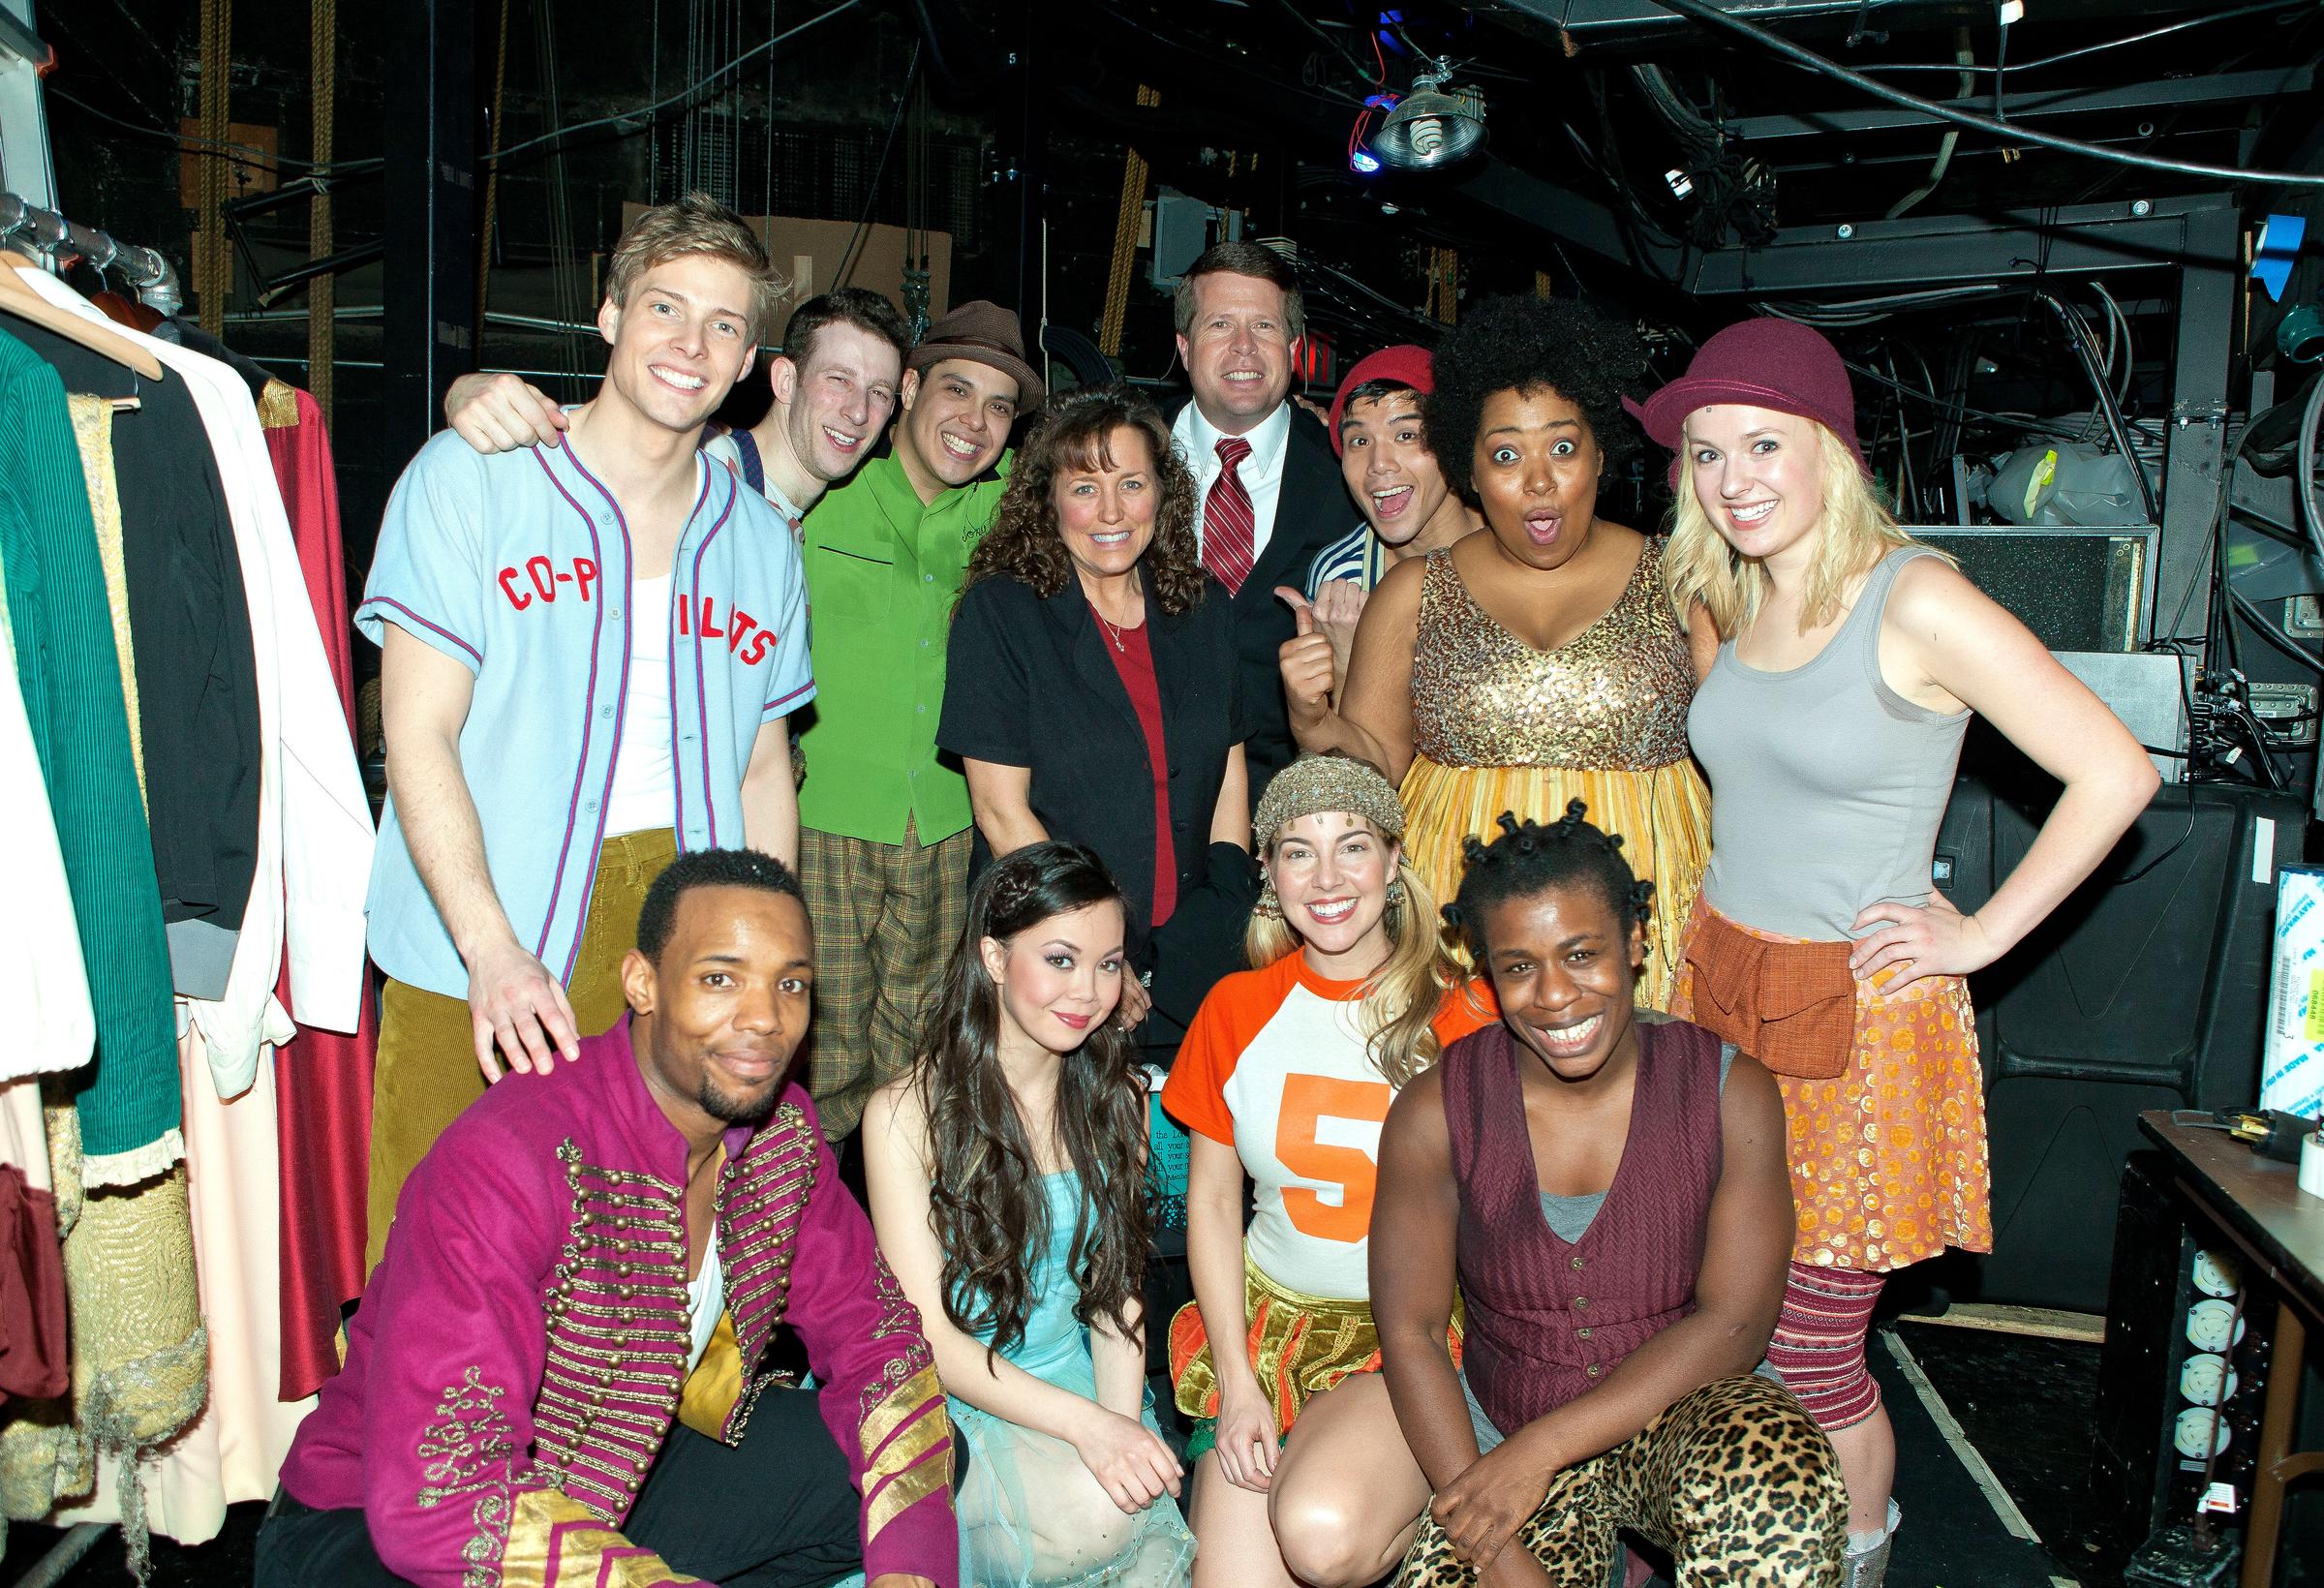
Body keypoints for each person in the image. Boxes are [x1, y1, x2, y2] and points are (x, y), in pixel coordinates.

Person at [1636, 316, 2159, 1585]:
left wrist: (1976, 935)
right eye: (1706, 454)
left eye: (1763, 444)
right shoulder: (1732, 589)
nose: (1733, 477)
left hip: (1857, 1031)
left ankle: (1857, 1563)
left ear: (1831, 449)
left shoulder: (1916, 596)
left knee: (1810, 1359)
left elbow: (2116, 771)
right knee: (1716, 1324)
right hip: (1723, 997)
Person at [256, 848, 956, 1588]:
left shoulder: (781, 1137)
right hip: (382, 1526)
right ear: (642, 983)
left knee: (899, 1485)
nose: (764, 1019)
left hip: (616, 1473)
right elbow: (444, 1492)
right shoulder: (514, 1154)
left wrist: (909, 1571)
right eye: (720, 979)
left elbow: (877, 1345)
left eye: (792, 986)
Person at [358, 194, 812, 1266]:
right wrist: (490, 947)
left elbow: (762, 767)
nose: (689, 344)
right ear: (609, 313)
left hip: (676, 926)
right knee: (434, 1259)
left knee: (627, 1274)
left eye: (723, 324)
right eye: (665, 306)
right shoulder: (471, 478)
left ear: (749, 361)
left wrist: (760, 961)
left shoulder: (761, 541)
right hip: (481, 914)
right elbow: (415, 731)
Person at [1372, 805, 1849, 1588]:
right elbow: (1414, 1333)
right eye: (1520, 966)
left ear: (1633, 943)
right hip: (1503, 1427)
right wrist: (1493, 1544)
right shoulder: (1436, 1110)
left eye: (1582, 953)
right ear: (1489, 973)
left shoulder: (1729, 1090)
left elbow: (1737, 1320)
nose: (1556, 996)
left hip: (1680, 1422)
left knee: (1779, 1486)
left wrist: (1543, 1451)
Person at [1282, 295, 1710, 1008]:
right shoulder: (1415, 592)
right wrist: (1311, 717)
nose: (1538, 480)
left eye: (1563, 448)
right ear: (1468, 469)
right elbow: (1374, 772)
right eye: (1506, 454)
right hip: (1460, 925)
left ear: (1602, 452)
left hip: (1648, 919)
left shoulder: (1682, 582)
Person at [1160, 753, 1495, 1588]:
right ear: (1268, 873)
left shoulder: (1464, 1012)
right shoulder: (1235, 1008)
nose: (1328, 876)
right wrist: (1238, 1383)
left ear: (1393, 862)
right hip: (1268, 1331)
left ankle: (1429, 1506)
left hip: (1409, 1338)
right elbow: (1211, 1202)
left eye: (1353, 845)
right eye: (1298, 851)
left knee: (1319, 1530)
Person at [862, 841, 1197, 1585]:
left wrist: (1122, 1425)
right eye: (1060, 959)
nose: (1088, 990)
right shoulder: (904, 1117)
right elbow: (931, 1344)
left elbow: (1117, 1295)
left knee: (1137, 1525)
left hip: (1079, 1380)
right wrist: (1092, 1433)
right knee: (1100, 1520)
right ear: (991, 956)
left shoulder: (1118, 1097)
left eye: (1110, 963)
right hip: (959, 1402)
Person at [940, 384, 1256, 1040]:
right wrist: (1097, 959)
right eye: (1084, 488)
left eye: (1132, 484)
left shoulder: (1203, 609)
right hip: (1053, 958)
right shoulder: (1003, 613)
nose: (1111, 511)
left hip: (1194, 949)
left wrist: (1223, 917)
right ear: (1048, 500)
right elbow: (1001, 811)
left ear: (1162, 494)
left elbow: (1228, 775)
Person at [792, 301, 1036, 1142]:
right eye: (957, 390)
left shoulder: (1012, 513)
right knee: (812, 1064)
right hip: (824, 816)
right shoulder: (817, 484)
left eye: (999, 406)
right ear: (907, 389)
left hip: (946, 826)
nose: (975, 421)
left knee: (918, 1071)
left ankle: (892, 1263)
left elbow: (1117, 489)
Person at [441, 286, 912, 534]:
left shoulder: (794, 516)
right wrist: (469, 393)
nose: (857, 411)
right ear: (785, 380)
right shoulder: (706, 468)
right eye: (838, 380)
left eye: (879, 392)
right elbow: (588, 444)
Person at [1169, 241, 1348, 794]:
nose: (1244, 348)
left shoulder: (1352, 475)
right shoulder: (1115, 458)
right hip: (1131, 791)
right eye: (1221, 324)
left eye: (1265, 328)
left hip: (1293, 811)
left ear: (1294, 348)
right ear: (1183, 345)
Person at [1282, 346, 1479, 699]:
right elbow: (1337, 750)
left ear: (1453, 442)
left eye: (1406, 435)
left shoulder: (1518, 540)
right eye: (1359, 441)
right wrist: (1343, 664)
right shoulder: (1342, 575)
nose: (1378, 463)